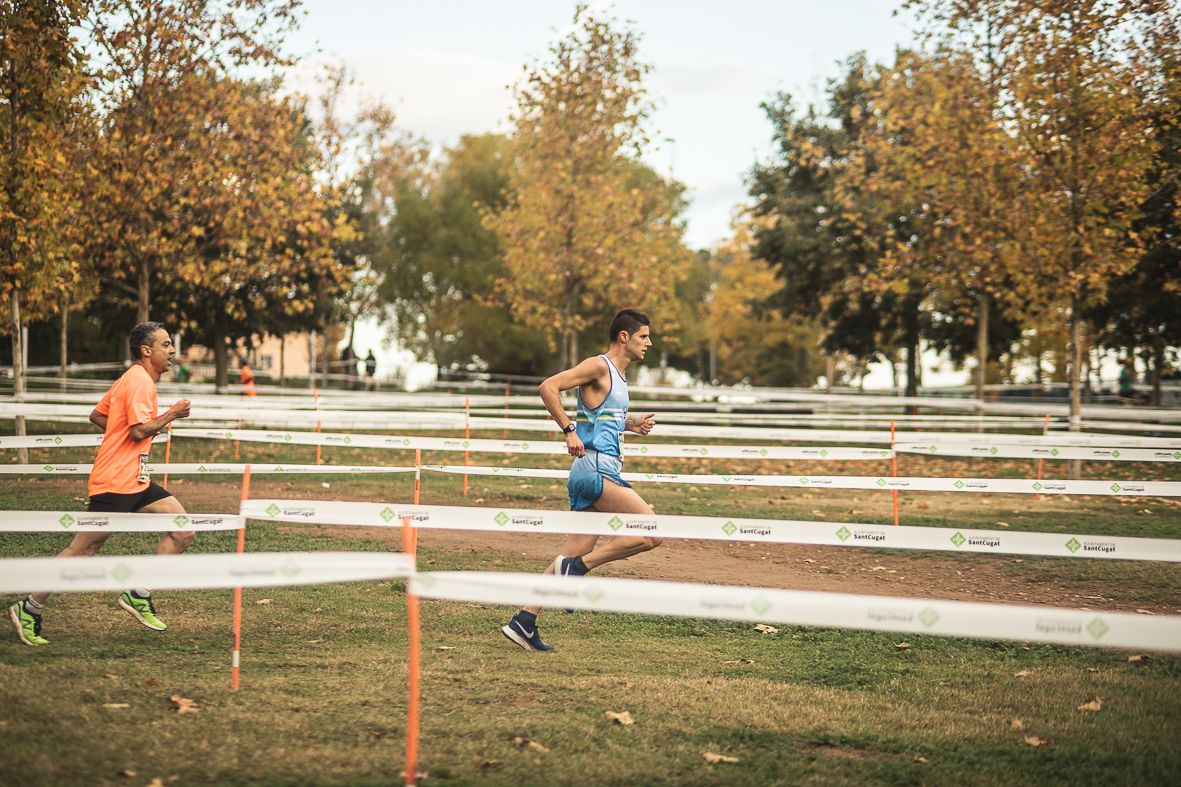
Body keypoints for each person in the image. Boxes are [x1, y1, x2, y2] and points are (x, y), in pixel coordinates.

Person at [8, 322, 193, 647]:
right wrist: (171, 414)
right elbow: (137, 431)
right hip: (115, 483)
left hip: (135, 479)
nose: (172, 351)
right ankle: (29, 607)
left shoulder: (132, 379)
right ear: (146, 351)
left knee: (183, 530)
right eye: (166, 345)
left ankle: (139, 593)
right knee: (83, 550)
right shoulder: (139, 382)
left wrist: (126, 430)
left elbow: (98, 415)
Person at [501, 309, 659, 652]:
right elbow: (548, 387)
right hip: (596, 468)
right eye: (644, 336)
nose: (649, 342)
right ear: (624, 337)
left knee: (571, 553)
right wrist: (568, 430)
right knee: (651, 533)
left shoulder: (617, 376)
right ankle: (578, 568)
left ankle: (524, 621)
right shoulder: (599, 365)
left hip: (592, 471)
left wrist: (631, 425)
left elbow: (602, 418)